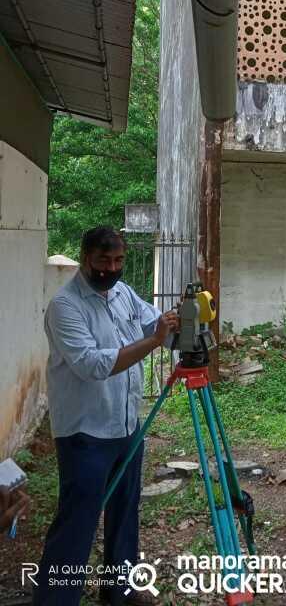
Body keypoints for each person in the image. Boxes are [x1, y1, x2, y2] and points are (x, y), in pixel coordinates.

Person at [32, 226, 179, 606]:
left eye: (118, 260)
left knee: (124, 513)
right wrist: (153, 341)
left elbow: (155, 323)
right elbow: (92, 365)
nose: (111, 268)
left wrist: (179, 324)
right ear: (85, 258)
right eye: (103, 260)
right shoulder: (65, 306)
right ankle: (56, 600)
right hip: (85, 433)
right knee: (77, 521)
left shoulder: (123, 293)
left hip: (125, 424)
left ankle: (119, 591)